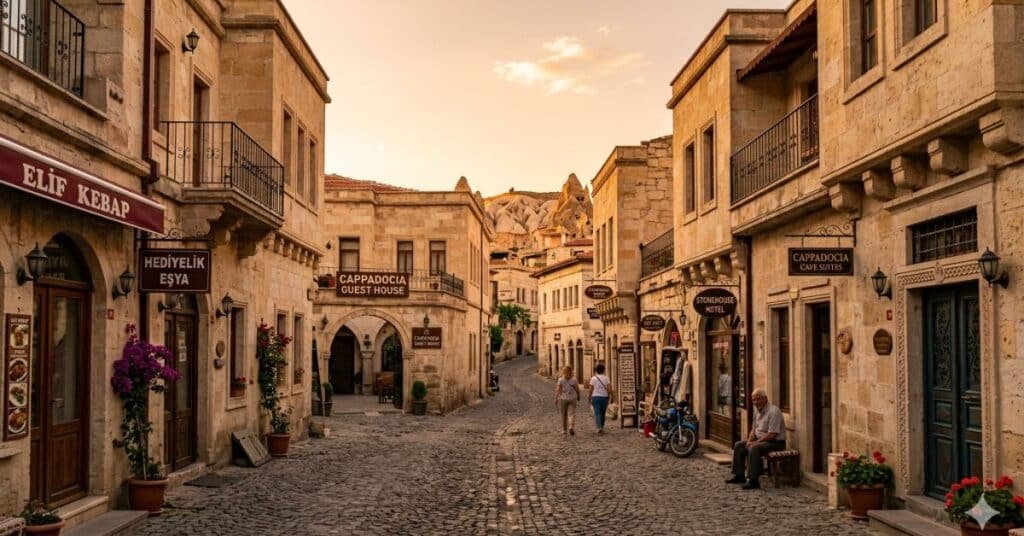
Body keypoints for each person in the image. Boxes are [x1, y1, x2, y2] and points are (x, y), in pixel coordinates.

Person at [726, 388, 786, 489]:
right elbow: (754, 429)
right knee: (739, 445)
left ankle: (753, 480)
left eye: (759, 399)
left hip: (775, 442)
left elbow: (772, 434)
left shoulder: (774, 411)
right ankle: (739, 475)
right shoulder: (757, 412)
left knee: (754, 448)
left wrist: (755, 443)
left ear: (765, 399)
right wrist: (749, 441)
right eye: (754, 400)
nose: (756, 402)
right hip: (762, 441)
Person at [554, 366, 579, 435]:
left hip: (563, 398)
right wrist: (579, 396)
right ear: (571, 371)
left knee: (564, 414)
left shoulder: (561, 380)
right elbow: (577, 389)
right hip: (572, 398)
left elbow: (558, 390)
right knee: (572, 414)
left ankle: (564, 430)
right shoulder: (574, 379)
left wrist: (556, 398)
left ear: (563, 371)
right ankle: (571, 426)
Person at [588, 363, 611, 434]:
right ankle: (602, 426)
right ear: (603, 370)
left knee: (597, 412)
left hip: (595, 397)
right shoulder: (606, 378)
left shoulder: (593, 378)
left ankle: (599, 427)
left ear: (596, 370)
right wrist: (610, 396)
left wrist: (589, 396)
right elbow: (609, 389)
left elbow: (591, 389)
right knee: (603, 413)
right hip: (604, 397)